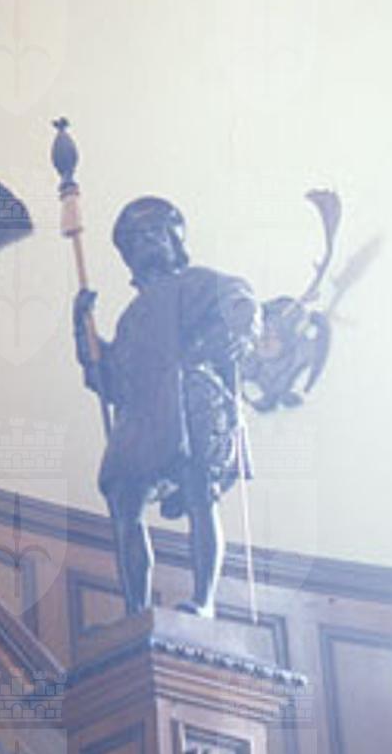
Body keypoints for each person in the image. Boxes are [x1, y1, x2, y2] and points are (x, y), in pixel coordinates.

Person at [75, 197, 258, 619]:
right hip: (142, 412)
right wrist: (81, 329)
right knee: (123, 496)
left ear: (175, 239)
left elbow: (239, 298)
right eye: (136, 238)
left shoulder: (197, 283)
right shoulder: (129, 318)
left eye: (155, 231)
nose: (146, 241)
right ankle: (136, 608)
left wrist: (240, 324)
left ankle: (204, 599)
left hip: (188, 395)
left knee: (199, 493)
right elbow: (110, 380)